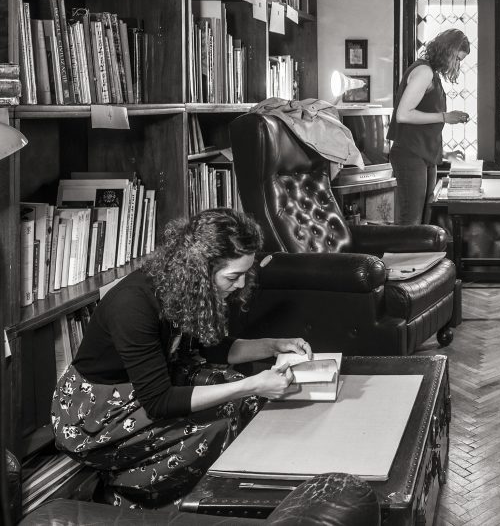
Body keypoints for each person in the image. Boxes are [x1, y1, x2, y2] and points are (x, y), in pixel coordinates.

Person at [51, 208, 312, 508]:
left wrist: (273, 346)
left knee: (244, 398)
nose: (241, 285)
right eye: (233, 276)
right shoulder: (133, 306)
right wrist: (253, 384)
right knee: (220, 420)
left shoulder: (179, 286)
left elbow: (212, 349)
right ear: (200, 269)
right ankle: (128, 495)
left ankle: (243, 489)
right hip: (93, 414)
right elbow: (160, 402)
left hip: (147, 385)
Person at [388, 29, 471, 225]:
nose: (457, 65)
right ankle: (403, 256)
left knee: (423, 219)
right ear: (447, 51)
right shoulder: (424, 71)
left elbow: (423, 128)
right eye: (457, 59)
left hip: (423, 155)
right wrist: (445, 116)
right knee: (411, 219)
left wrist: (443, 155)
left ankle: (418, 256)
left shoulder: (432, 74)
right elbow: (403, 114)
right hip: (409, 154)